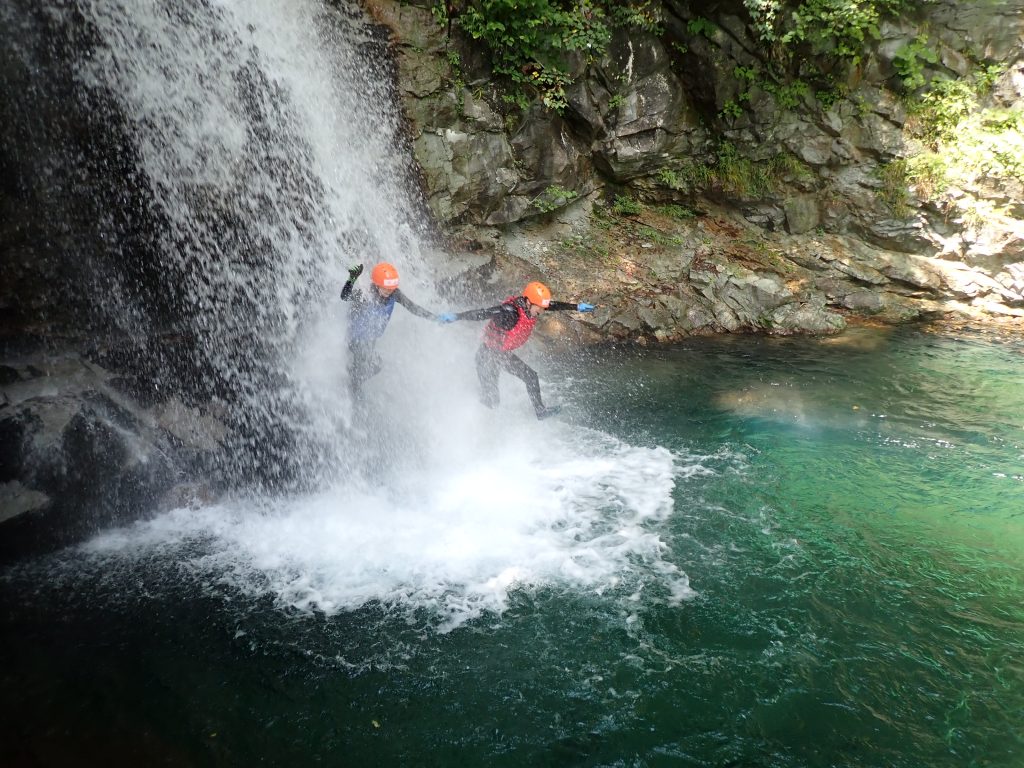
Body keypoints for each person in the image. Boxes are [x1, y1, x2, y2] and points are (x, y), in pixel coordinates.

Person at [442, 281, 595, 419]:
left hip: (500, 354)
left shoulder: (533, 306)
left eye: (543, 308)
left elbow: (552, 305)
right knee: (492, 400)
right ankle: (467, 416)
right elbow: (483, 313)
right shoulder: (509, 312)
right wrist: (457, 316)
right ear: (528, 302)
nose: (541, 311)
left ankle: (540, 411)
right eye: (539, 308)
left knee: (531, 377)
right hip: (487, 356)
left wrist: (576, 307)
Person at [340, 262, 446, 394]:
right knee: (366, 365)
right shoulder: (366, 293)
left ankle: (351, 384)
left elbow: (413, 307)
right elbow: (345, 296)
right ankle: (351, 388)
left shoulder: (394, 293)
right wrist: (352, 279)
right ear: (377, 285)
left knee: (373, 365)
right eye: (386, 289)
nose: (388, 292)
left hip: (370, 338)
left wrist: (434, 317)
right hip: (356, 338)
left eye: (391, 289)